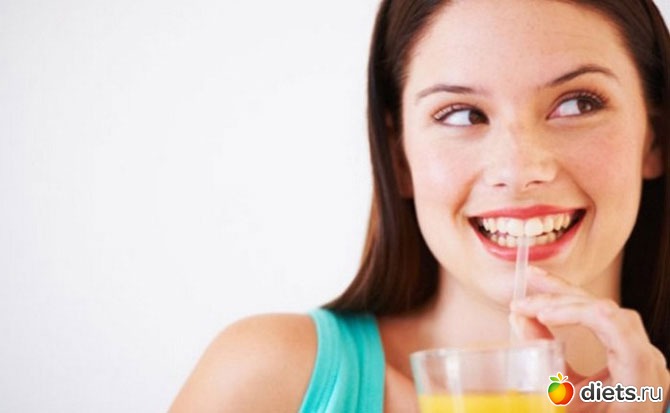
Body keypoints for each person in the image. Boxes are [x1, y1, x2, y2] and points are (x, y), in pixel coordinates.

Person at [169, 0, 670, 411]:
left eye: (579, 104)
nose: (518, 169)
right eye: (462, 114)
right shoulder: (270, 380)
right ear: (398, 156)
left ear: (655, 137)